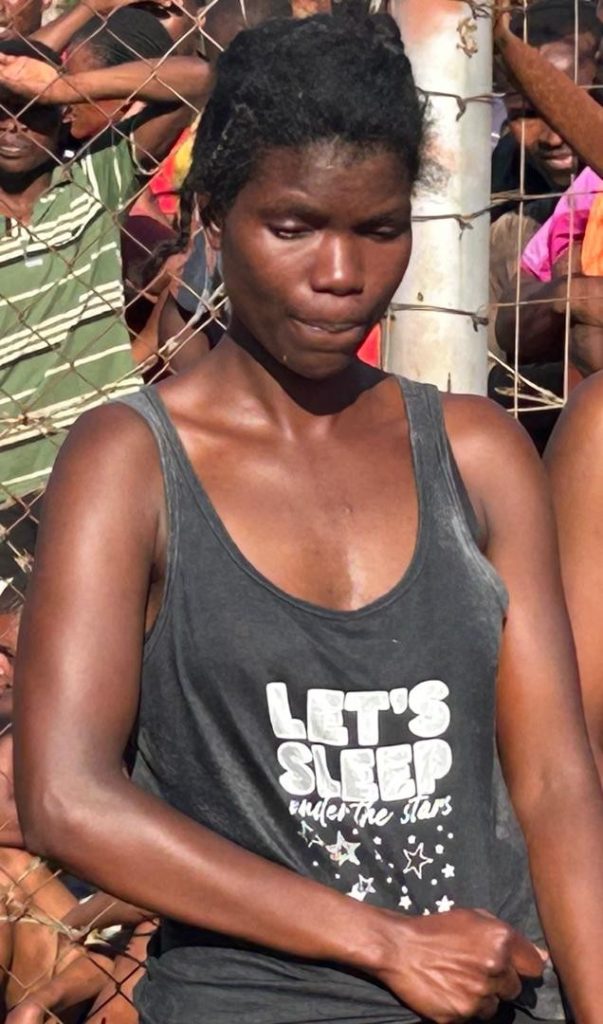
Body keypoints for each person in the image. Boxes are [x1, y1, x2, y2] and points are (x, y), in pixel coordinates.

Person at [13, 10, 603, 1024]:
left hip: (506, 990)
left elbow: (553, 783)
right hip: (258, 998)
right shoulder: (132, 463)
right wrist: (386, 942)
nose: (340, 274)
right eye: (292, 227)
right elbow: (67, 797)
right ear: (211, 217)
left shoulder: (476, 453)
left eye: (378, 229)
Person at [0, 34, 211, 581]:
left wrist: (64, 86)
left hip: (113, 458)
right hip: (10, 489)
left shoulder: (92, 181)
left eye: (30, 110)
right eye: (0, 111)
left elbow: (198, 79)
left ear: (62, 117)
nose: (12, 125)